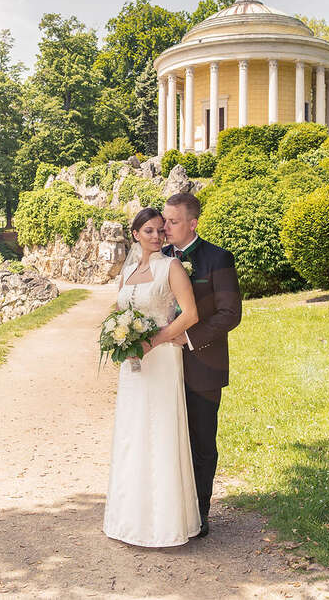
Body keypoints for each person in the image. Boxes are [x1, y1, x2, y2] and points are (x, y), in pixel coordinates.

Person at [103, 207, 202, 547]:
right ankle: (129, 521)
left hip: (161, 361)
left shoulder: (171, 267)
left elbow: (190, 314)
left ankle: (164, 524)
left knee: (159, 433)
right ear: (135, 234)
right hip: (132, 367)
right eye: (149, 231)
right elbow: (118, 311)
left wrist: (153, 341)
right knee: (133, 434)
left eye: (161, 230)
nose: (157, 237)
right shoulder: (129, 268)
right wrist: (118, 338)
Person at [162, 192, 242, 538]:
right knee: (165, 439)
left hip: (203, 364)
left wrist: (191, 339)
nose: (164, 227)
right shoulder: (158, 257)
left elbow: (230, 313)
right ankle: (169, 511)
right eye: (164, 220)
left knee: (201, 443)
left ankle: (199, 512)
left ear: (192, 223)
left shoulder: (217, 259)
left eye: (172, 221)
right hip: (160, 368)